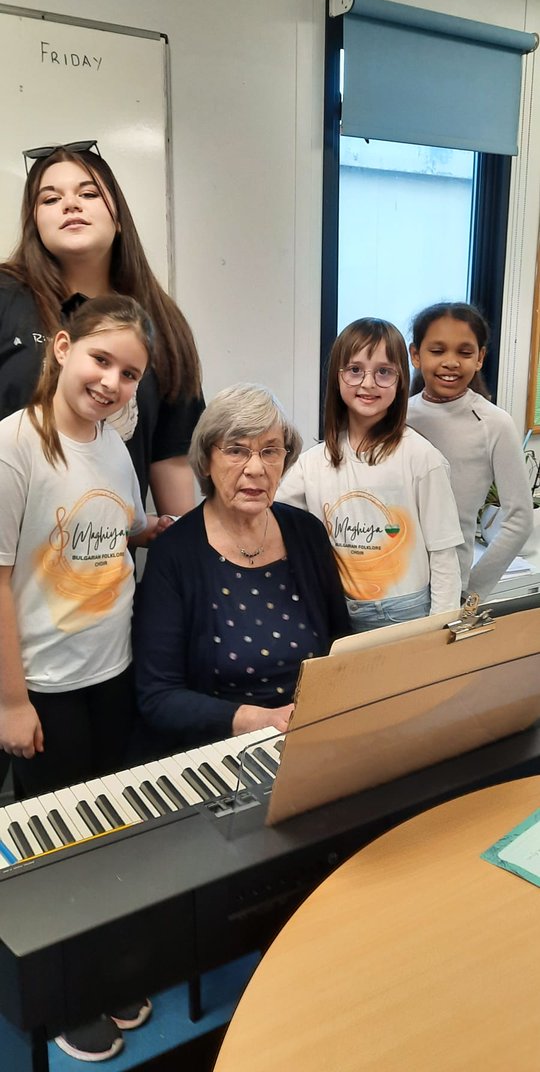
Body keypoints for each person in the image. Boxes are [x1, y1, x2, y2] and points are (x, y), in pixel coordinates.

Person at [0, 295, 166, 1061]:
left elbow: (111, 524)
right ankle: (66, 997)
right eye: (102, 360)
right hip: (47, 686)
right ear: (63, 347)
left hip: (114, 671)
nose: (112, 381)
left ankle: (98, 969)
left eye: (129, 373)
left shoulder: (113, 444)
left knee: (108, 835)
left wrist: (149, 531)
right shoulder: (15, 448)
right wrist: (10, 700)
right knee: (56, 849)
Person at [134, 384, 350, 753]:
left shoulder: (307, 532)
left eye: (270, 452)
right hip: (221, 748)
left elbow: (342, 649)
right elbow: (159, 697)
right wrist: (259, 720)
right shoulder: (175, 552)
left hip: (312, 733)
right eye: (236, 451)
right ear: (206, 460)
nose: (256, 468)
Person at [0, 140, 203, 516]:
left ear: (119, 216)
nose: (70, 204)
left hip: (105, 558)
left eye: (89, 193)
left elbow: (169, 454)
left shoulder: (160, 321)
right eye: (49, 199)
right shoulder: (5, 295)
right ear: (34, 223)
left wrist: (178, 549)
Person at [277, 318, 463, 631]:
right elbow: (269, 519)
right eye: (354, 370)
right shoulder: (313, 463)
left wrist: (441, 633)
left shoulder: (421, 457)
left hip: (407, 614)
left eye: (384, 372)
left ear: (401, 380)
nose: (368, 383)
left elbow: (444, 553)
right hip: (337, 611)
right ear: (336, 377)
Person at [408, 301, 534, 602]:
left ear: (480, 358)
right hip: (389, 585)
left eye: (464, 352)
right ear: (415, 355)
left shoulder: (494, 423)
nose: (451, 362)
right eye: (437, 351)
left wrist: (473, 589)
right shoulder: (396, 416)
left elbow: (520, 519)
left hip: (451, 588)